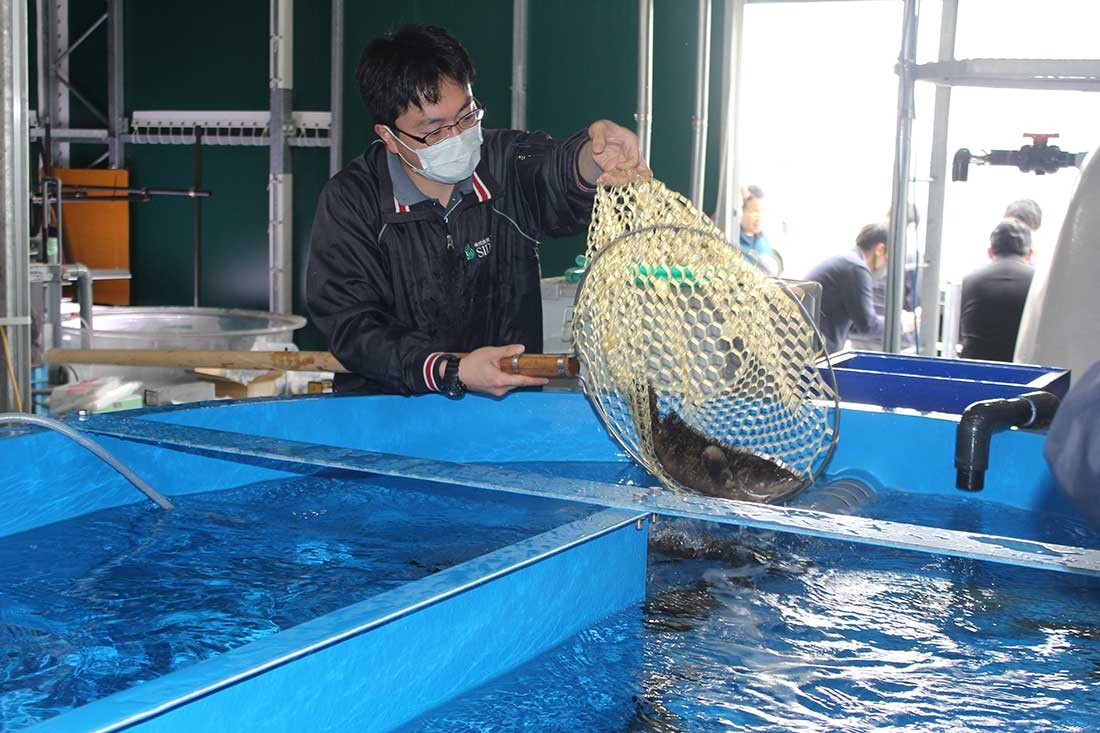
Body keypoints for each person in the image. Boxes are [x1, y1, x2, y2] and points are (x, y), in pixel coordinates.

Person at [306, 24, 650, 397]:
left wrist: (594, 157)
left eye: (467, 116)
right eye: (434, 131)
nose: (457, 137)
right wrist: (448, 369)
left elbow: (555, 171)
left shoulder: (504, 163)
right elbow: (352, 325)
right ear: (389, 136)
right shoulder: (352, 201)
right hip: (388, 418)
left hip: (505, 415)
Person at [805, 223, 890, 354]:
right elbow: (867, 324)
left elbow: (856, 324)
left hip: (810, 346)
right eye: (887, 258)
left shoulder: (847, 262)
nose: (886, 265)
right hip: (815, 352)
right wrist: (900, 324)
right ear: (879, 249)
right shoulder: (856, 268)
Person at [959, 218, 1034, 362]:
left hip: (974, 369)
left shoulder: (970, 280)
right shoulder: (1037, 284)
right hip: (1023, 371)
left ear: (990, 252)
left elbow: (962, 331)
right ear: (1030, 253)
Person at [738, 185, 780, 275]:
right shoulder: (732, 238)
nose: (759, 218)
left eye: (762, 212)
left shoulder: (762, 239)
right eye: (755, 212)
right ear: (741, 211)